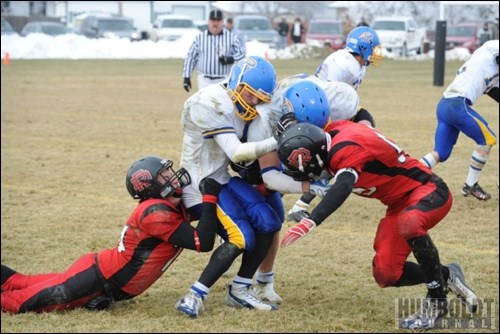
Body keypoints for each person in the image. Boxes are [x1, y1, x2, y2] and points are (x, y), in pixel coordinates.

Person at [276, 122, 479, 330]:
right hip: (399, 204)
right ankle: (447, 274)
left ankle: (437, 300)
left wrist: (312, 220)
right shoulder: (325, 141)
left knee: (410, 224)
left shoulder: (345, 147)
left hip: (428, 190)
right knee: (386, 273)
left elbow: (344, 184)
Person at [1, 156, 222, 314]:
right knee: (21, 303)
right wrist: (210, 198)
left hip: (102, 276)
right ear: (150, 186)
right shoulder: (155, 212)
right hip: (99, 277)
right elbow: (202, 242)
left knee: (21, 282)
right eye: (164, 176)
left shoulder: (169, 204)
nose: (172, 177)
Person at [175, 56, 284, 318]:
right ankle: (195, 294)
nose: (254, 102)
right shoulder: (209, 102)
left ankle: (240, 288)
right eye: (251, 94)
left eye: (260, 98)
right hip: (200, 186)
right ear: (237, 82)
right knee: (241, 237)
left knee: (270, 221)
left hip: (222, 180)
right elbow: (235, 153)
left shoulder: (241, 102)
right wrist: (277, 141)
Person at [288, 26, 383, 222]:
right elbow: (327, 96)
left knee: (366, 127)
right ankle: (297, 204)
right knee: (330, 155)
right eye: (372, 48)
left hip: (337, 108)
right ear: (364, 47)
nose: (375, 53)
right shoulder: (343, 63)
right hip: (321, 110)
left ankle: (300, 204)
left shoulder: (357, 65)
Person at [420, 40, 498, 201]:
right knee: (487, 139)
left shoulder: (484, 65)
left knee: (440, 153)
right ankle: (470, 185)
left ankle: (407, 175)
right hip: (457, 105)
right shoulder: (493, 47)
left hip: (445, 104)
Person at [182, 9, 245, 92]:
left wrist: (231, 59)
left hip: (223, 80)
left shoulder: (231, 37)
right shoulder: (200, 37)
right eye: (213, 20)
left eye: (218, 20)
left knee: (223, 104)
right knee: (204, 104)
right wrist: (187, 77)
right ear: (208, 21)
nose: (215, 23)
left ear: (222, 22)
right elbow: (191, 57)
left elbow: (241, 54)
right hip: (204, 80)